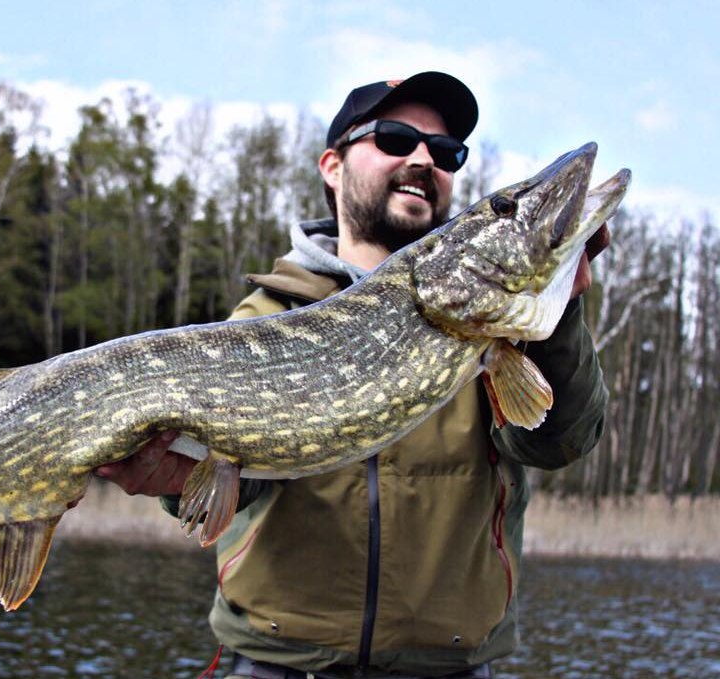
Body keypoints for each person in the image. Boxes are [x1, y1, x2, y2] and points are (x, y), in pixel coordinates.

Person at [96, 72, 610, 678]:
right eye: (394, 139)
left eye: (445, 153)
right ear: (333, 166)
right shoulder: (267, 319)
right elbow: (234, 485)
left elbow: (558, 439)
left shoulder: (497, 329)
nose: (423, 158)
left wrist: (557, 311)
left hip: (449, 666)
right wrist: (173, 480)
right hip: (277, 663)